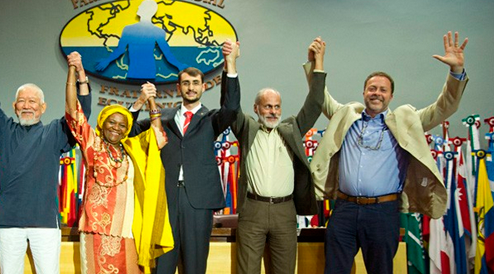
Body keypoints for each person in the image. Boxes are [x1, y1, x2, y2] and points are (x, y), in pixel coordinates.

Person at [309, 32, 469, 274]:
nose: (377, 93)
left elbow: (444, 107)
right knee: (334, 269)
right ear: (364, 92)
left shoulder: (407, 120)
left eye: (383, 90)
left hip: (383, 212)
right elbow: (319, 96)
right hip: (344, 209)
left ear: (391, 96)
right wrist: (316, 63)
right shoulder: (346, 115)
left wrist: (456, 72)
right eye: (372, 88)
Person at [0, 36, 91, 274]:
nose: (27, 105)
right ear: (14, 106)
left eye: (33, 101)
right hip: (9, 221)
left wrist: (81, 76)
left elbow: (80, 114)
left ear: (42, 107)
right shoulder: (2, 130)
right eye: (22, 101)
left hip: (44, 221)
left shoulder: (55, 132)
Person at [130, 44, 241, 274]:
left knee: (195, 266)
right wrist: (139, 103)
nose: (191, 88)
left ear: (203, 87)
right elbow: (128, 132)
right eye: (186, 83)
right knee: (163, 265)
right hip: (166, 198)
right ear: (179, 87)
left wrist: (230, 64)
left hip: (197, 202)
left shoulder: (211, 119)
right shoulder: (161, 118)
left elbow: (231, 107)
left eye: (195, 83)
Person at [65, 51, 173, 274]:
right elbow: (73, 109)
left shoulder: (132, 148)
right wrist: (73, 70)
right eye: (111, 122)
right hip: (97, 228)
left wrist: (151, 99)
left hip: (129, 229)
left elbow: (158, 136)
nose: (116, 127)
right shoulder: (92, 144)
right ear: (103, 123)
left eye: (122, 125)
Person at [224, 38, 326, 274]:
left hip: (285, 211)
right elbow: (230, 106)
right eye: (267, 106)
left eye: (277, 106)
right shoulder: (246, 128)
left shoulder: (291, 129)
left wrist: (318, 62)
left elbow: (315, 104)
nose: (273, 111)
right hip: (253, 210)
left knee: (285, 271)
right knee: (247, 271)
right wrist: (231, 63)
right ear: (256, 108)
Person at [94, 0, 188, 80]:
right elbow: (120, 50)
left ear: (146, 10)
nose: (138, 7)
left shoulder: (130, 29)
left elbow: (167, 53)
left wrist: (180, 66)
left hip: (144, 73)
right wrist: (107, 61)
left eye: (141, 6)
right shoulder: (156, 31)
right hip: (138, 72)